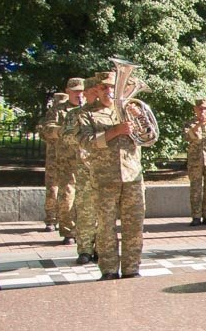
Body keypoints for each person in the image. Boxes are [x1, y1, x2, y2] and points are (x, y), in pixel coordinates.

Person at [75, 69, 152, 280]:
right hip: (104, 178)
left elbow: (149, 138)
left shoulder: (129, 110)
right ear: (96, 90)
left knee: (134, 226)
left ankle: (131, 268)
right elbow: (86, 142)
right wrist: (115, 131)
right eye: (104, 87)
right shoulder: (86, 114)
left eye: (112, 87)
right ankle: (108, 269)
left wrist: (140, 119)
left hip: (132, 177)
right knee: (105, 226)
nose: (109, 91)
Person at [61, 80, 98, 265]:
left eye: (85, 91)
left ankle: (101, 247)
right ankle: (85, 249)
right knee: (85, 209)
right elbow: (67, 137)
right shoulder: (74, 114)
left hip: (106, 168)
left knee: (104, 211)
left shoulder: (106, 112)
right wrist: (86, 139)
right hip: (84, 167)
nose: (81, 95)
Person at [38, 85, 79, 240]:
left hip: (85, 159)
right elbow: (46, 130)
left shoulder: (88, 108)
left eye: (81, 91)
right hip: (61, 158)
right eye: (75, 91)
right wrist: (62, 130)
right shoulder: (57, 111)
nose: (79, 94)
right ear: (68, 92)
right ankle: (59, 224)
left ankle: (84, 231)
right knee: (60, 190)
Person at [182, 97, 206, 227]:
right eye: (200, 108)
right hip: (195, 161)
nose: (202, 111)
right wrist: (198, 125)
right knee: (195, 189)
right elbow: (187, 137)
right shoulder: (189, 123)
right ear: (195, 109)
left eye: (205, 108)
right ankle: (196, 216)